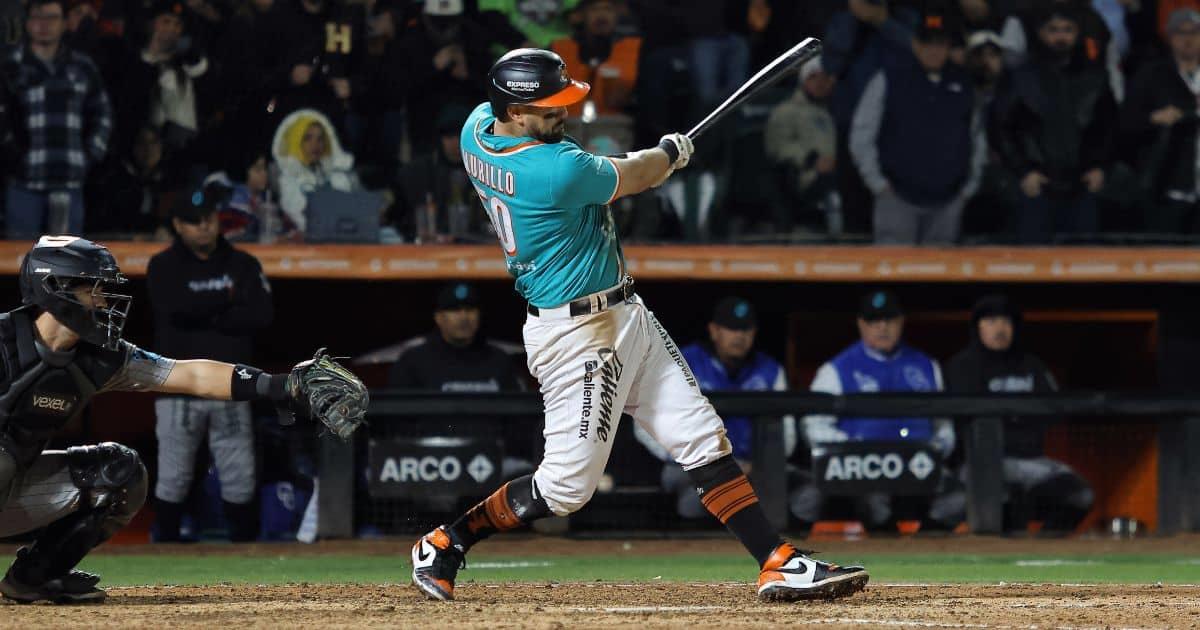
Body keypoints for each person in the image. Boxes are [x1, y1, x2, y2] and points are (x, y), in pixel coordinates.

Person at [409, 48, 867, 604]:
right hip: (578, 337)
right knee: (565, 488)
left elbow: (613, 171)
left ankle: (777, 561)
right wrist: (671, 153)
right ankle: (446, 541)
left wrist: (656, 157)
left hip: (625, 312)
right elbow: (636, 174)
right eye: (549, 108)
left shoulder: (476, 128)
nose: (564, 115)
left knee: (700, 435)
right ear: (514, 111)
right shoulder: (552, 170)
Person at [0, 235, 359, 603]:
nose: (104, 301)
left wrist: (279, 386)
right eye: (93, 289)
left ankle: (33, 578)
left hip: (12, 495)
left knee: (120, 474)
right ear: (56, 287)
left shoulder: (99, 359)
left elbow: (190, 375)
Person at [146, 184, 276, 543]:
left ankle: (246, 557)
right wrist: (226, 300)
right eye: (193, 221)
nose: (202, 227)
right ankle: (164, 553)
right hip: (178, 387)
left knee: (239, 473)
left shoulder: (243, 263)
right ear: (177, 224)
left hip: (231, 384)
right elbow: (174, 310)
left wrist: (201, 312)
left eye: (208, 219)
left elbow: (261, 315)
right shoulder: (162, 264)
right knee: (174, 474)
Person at [797, 290, 961, 530]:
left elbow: (943, 426)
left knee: (961, 497)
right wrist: (856, 450)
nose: (883, 327)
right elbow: (814, 427)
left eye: (890, 320)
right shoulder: (837, 369)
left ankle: (931, 548)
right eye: (874, 321)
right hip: (862, 470)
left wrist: (933, 449)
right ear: (861, 324)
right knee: (872, 502)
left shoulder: (926, 365)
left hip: (919, 465)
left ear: (901, 322)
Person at [633, 297, 797, 520]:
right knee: (695, 500)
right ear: (714, 330)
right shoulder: (681, 362)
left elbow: (786, 433)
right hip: (691, 466)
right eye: (731, 328)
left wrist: (759, 464)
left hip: (753, 468)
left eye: (746, 329)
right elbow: (644, 423)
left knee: (803, 494)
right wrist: (682, 457)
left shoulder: (770, 370)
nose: (739, 335)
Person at [945, 294, 1094, 532]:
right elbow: (959, 426)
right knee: (972, 505)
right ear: (978, 327)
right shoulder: (962, 366)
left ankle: (1044, 548)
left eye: (1006, 322)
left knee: (1080, 494)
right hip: (981, 464)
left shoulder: (1031, 365)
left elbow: (1054, 411)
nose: (1000, 329)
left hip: (1030, 461)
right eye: (991, 321)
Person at [850, 11, 984, 244]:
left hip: (949, 200)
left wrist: (968, 188)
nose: (934, 50)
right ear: (915, 44)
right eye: (927, 43)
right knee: (893, 274)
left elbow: (977, 137)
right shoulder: (889, 78)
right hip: (897, 198)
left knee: (941, 276)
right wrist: (878, 184)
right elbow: (862, 133)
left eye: (940, 44)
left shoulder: (964, 83)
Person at [990, 4, 1118, 243]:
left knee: (1084, 270)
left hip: (1082, 186)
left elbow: (1108, 127)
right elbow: (1000, 127)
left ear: (1078, 33)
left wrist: (1101, 166)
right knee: (1032, 270)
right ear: (1040, 33)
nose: (1060, 36)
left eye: (1067, 30)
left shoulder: (1096, 76)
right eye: (1054, 30)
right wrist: (1022, 171)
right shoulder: (1020, 76)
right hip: (1036, 187)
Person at [388, 282, 534, 480]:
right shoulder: (414, 361)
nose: (464, 317)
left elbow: (520, 424)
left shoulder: (499, 361)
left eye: (470, 309)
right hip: (432, 464)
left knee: (525, 474)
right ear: (439, 318)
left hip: (494, 462)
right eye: (454, 310)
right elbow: (395, 425)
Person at [1, 0, 112, 239]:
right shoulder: (9, 66)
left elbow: (103, 112)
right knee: (21, 263)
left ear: (63, 24)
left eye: (52, 18)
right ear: (28, 23)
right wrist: (10, 154)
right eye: (38, 17)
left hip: (69, 182)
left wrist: (90, 154)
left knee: (67, 265)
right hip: (23, 183)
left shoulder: (82, 66)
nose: (44, 24)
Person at [1122, 8, 1200, 234]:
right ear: (1169, 36)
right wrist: (1153, 118)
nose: (1188, 39)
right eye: (1180, 33)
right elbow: (1126, 123)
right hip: (1167, 184)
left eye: (1195, 32)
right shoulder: (1152, 74)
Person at [764, 58, 840, 235]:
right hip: (802, 182)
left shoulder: (830, 112)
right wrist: (811, 159)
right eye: (814, 78)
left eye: (825, 78)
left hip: (831, 182)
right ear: (804, 80)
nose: (821, 84)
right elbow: (778, 145)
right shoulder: (786, 111)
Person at [271, 108, 363, 233]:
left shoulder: (338, 175)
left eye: (320, 139)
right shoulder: (288, 178)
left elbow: (354, 211)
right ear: (296, 141)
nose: (315, 144)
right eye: (307, 138)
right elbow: (299, 216)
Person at [550, 0, 640, 118]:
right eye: (594, 9)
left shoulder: (635, 48)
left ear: (617, 14)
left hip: (617, 127)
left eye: (608, 9)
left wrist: (629, 97)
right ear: (581, 15)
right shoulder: (558, 49)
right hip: (567, 127)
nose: (601, 15)